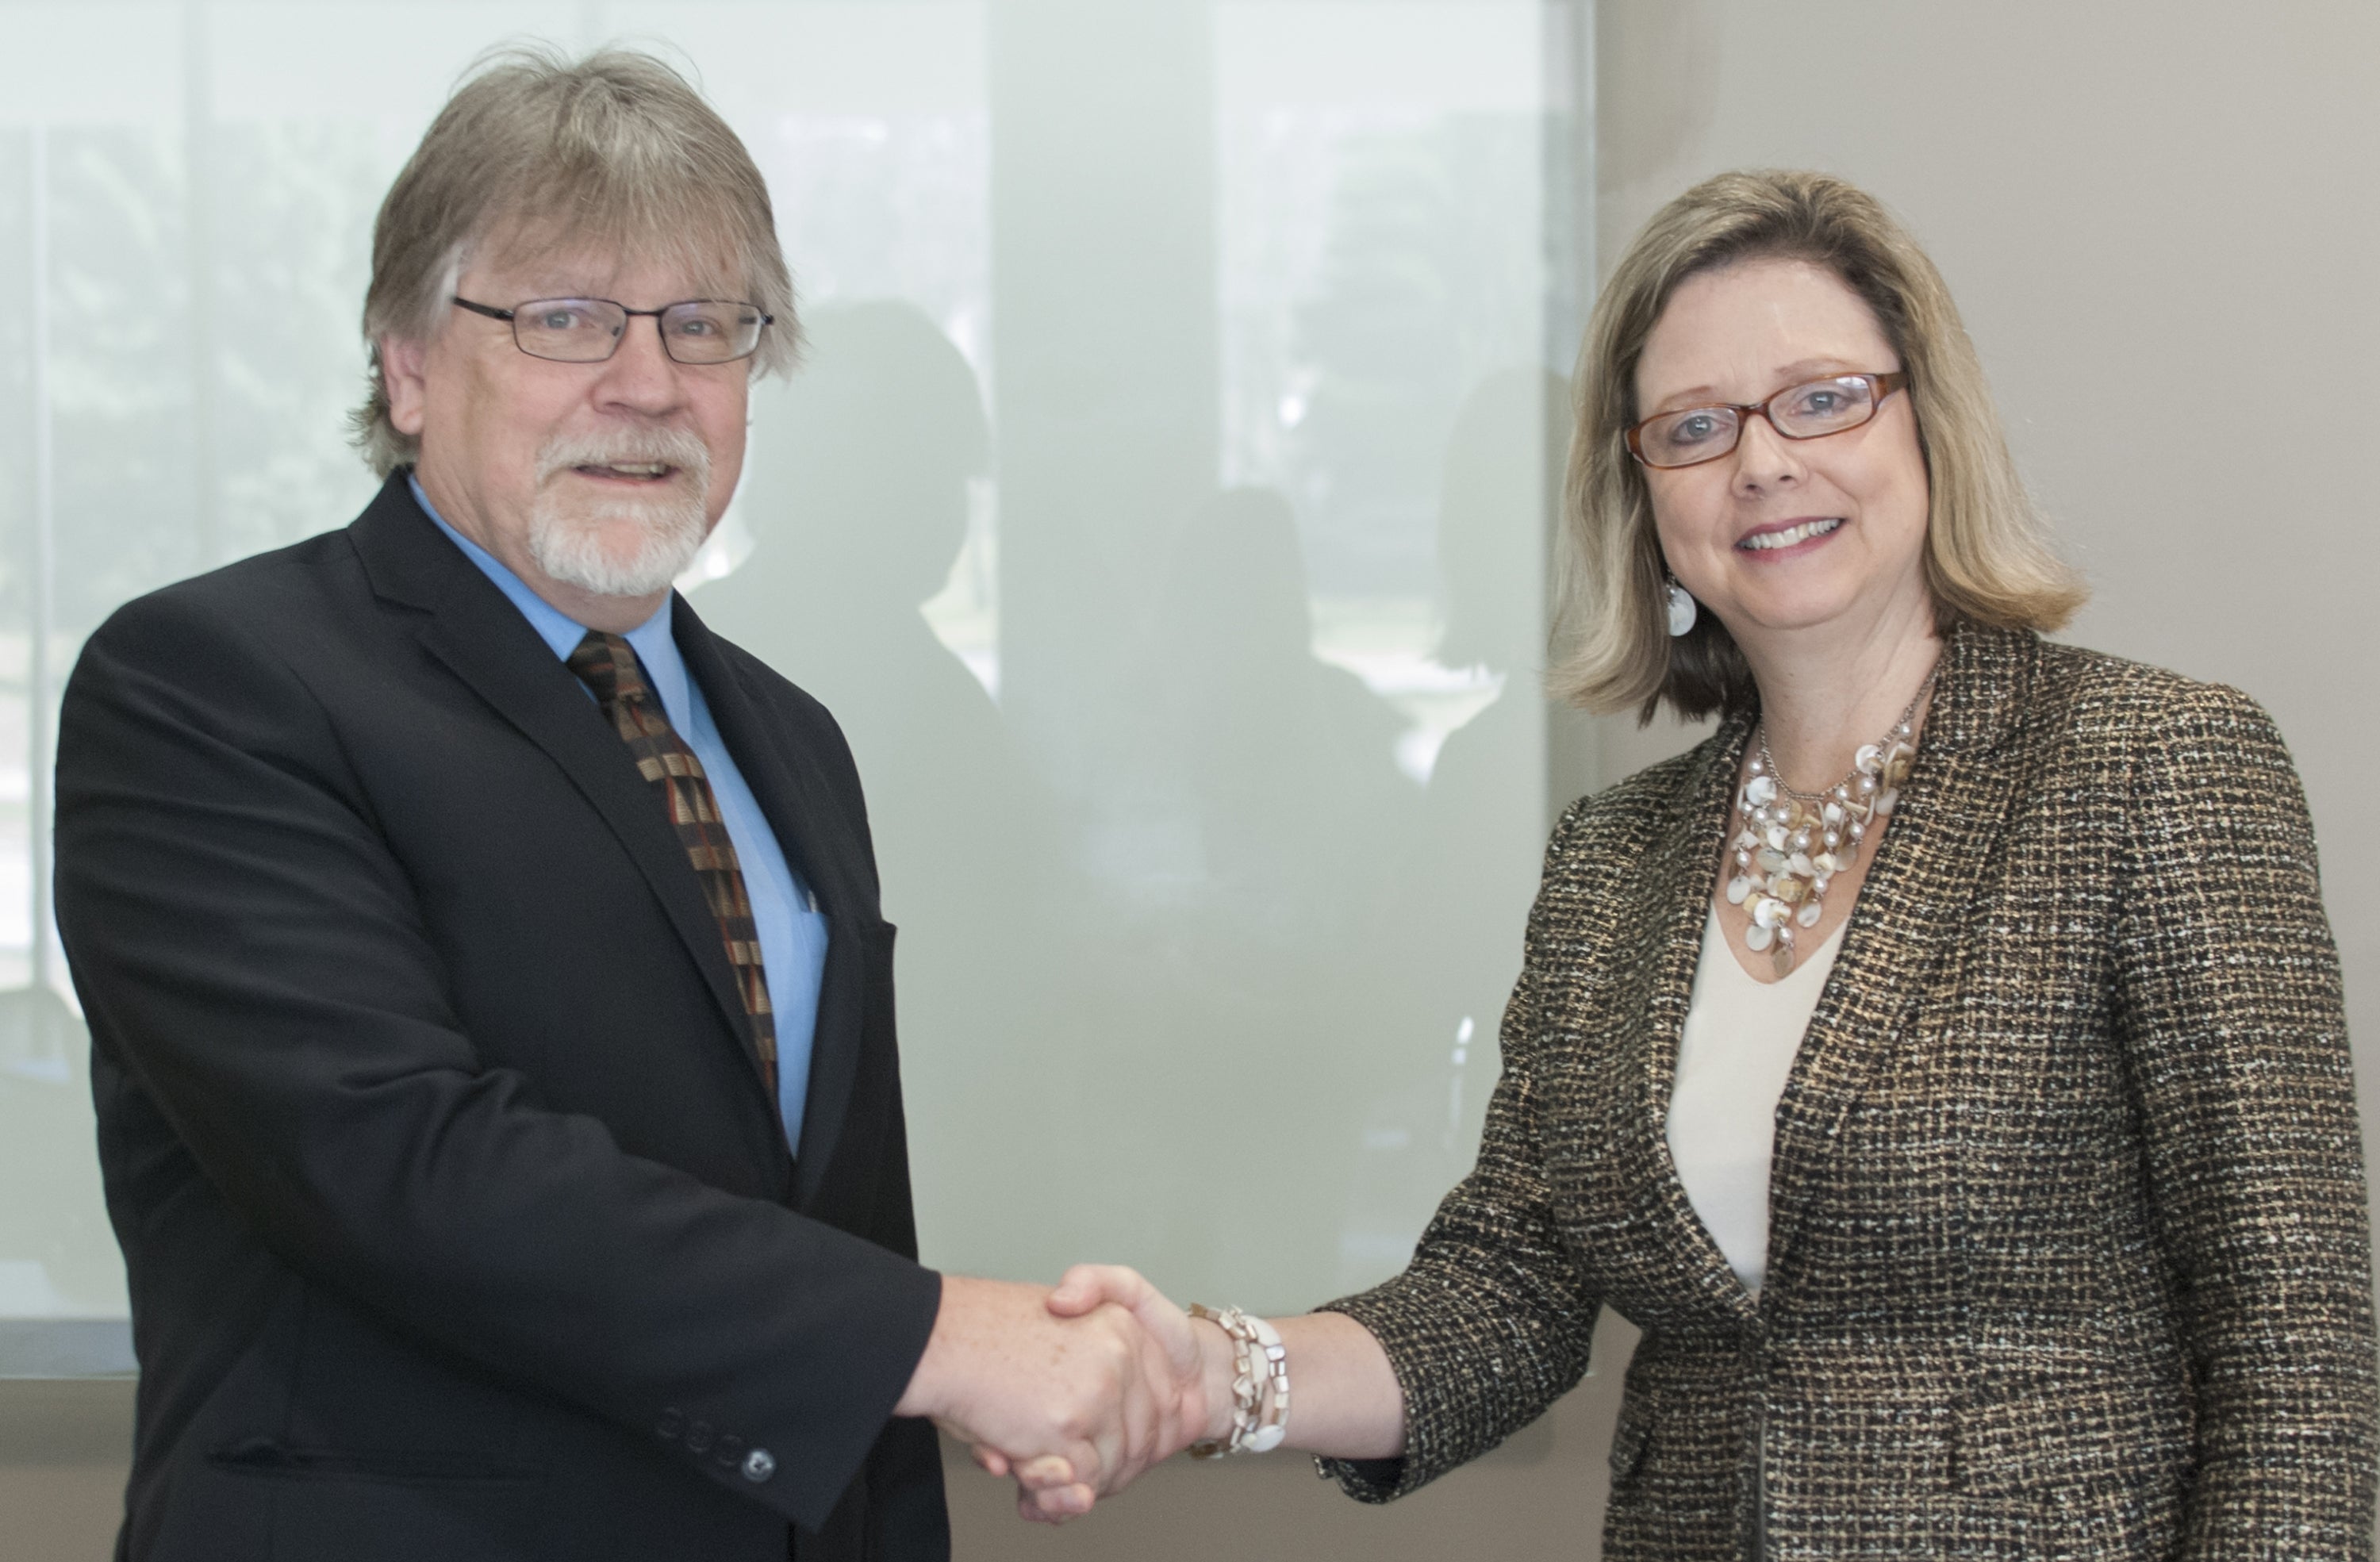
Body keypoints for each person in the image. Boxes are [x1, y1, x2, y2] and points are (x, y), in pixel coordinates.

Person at [1019, 169, 2378, 1556]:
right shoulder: (1614, 858)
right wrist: (1212, 1372)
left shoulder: (2153, 764)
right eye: (1696, 426)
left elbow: (2298, 1345)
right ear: (1646, 489)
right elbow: (1507, 1290)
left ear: (1928, 419)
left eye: (1824, 397)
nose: (1766, 460)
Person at [52, 48, 1194, 1562]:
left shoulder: (791, 740)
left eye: (703, 325)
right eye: (565, 318)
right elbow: (406, 1164)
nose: (646, 382)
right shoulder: (211, 685)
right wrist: (950, 1340)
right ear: (404, 362)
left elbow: (836, 1224)